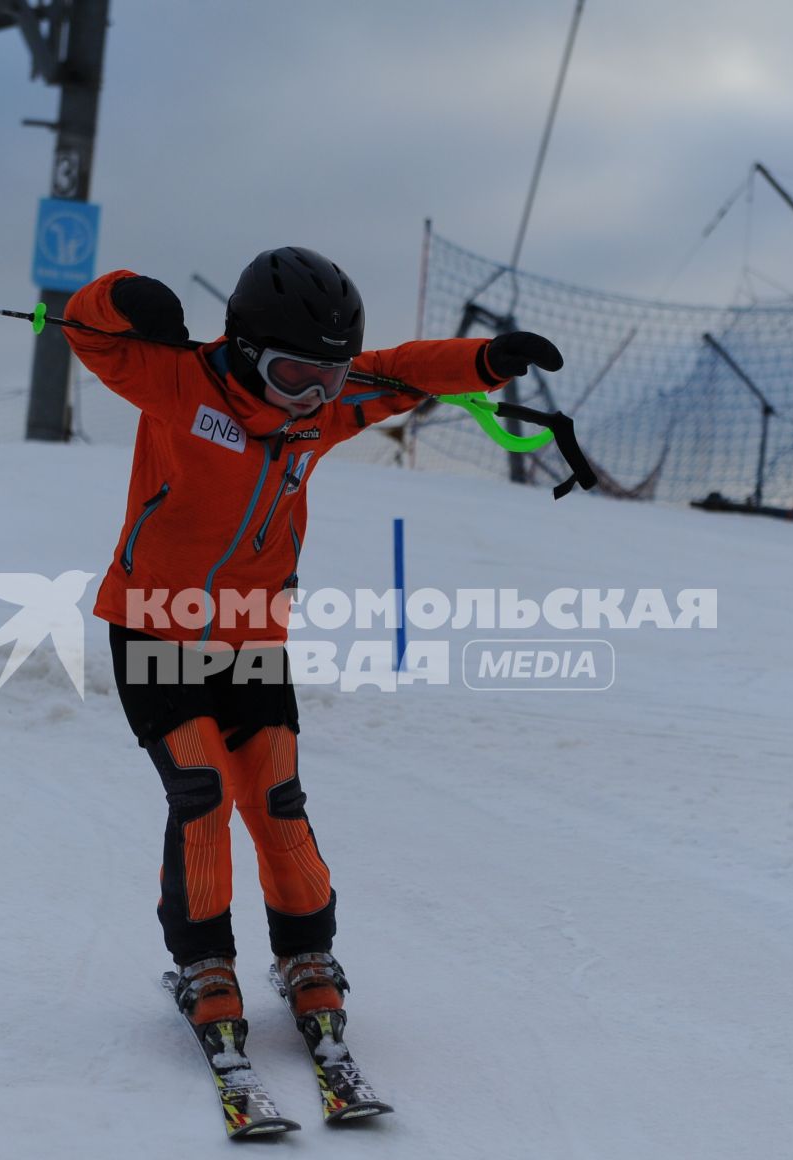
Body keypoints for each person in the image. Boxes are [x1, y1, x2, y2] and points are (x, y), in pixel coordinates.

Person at [63, 247, 562, 1039]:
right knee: (201, 793)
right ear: (248, 350)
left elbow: (399, 372)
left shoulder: (321, 408)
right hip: (154, 622)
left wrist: (485, 359)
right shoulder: (181, 383)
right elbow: (88, 331)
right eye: (298, 376)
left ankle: (307, 955)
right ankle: (204, 962)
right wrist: (126, 295)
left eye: (330, 380)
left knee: (276, 797)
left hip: (254, 636)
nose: (317, 399)